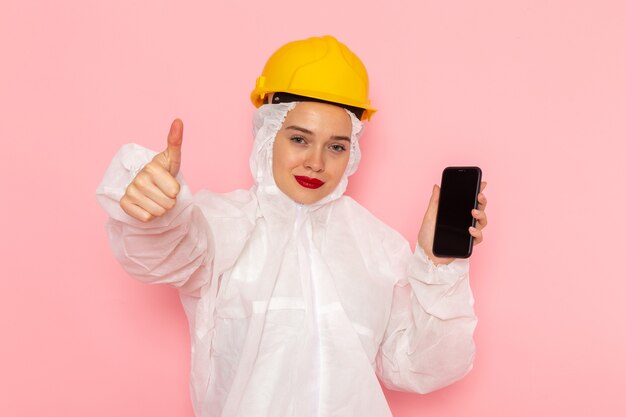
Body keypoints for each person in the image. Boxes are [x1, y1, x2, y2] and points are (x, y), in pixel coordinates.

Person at [96, 35, 488, 417]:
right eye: (300, 139)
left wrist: (438, 266)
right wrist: (154, 212)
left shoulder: (377, 246)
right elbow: (163, 253)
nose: (316, 162)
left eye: (336, 146)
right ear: (268, 135)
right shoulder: (221, 224)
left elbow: (418, 365)